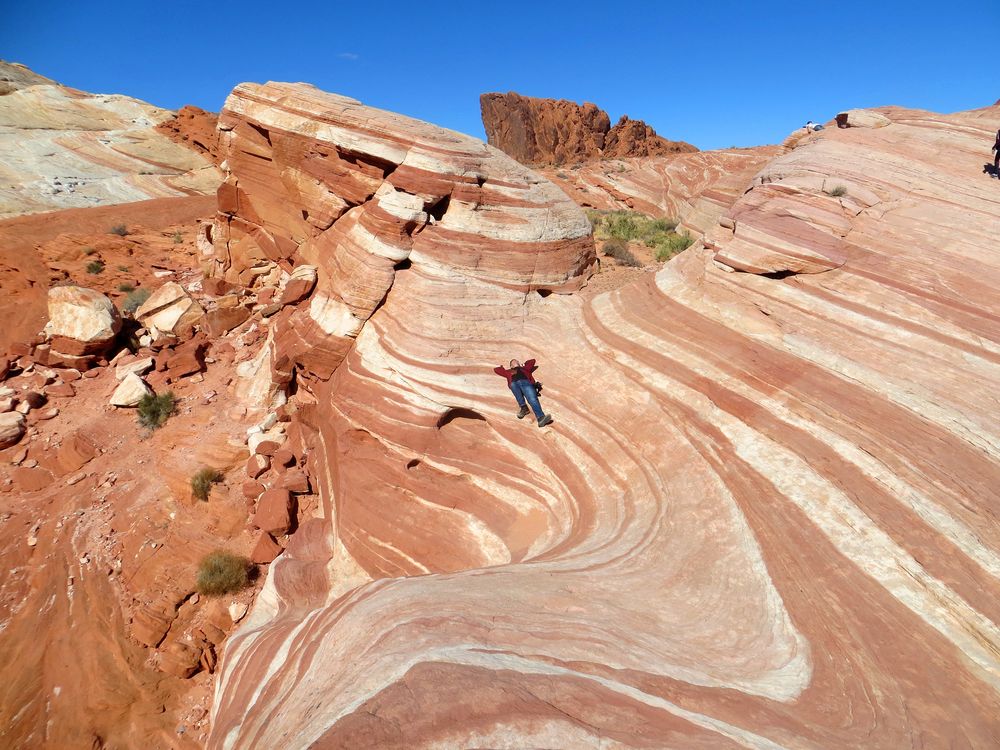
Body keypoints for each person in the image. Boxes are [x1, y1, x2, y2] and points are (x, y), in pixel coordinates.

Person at [494, 358, 553, 427]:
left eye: (517, 361)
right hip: (515, 385)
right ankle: (524, 407)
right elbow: (496, 370)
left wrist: (523, 365)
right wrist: (501, 367)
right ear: (511, 366)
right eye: (514, 362)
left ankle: (540, 418)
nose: (516, 362)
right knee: (513, 384)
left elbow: (532, 361)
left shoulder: (525, 368)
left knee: (532, 399)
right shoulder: (508, 372)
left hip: (526, 382)